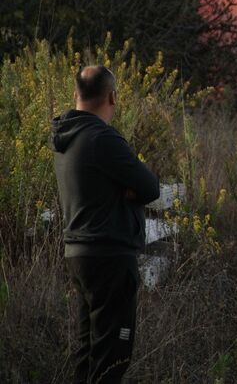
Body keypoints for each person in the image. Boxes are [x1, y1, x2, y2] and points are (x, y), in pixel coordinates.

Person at [52, 65, 161, 384]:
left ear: (76, 95)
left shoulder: (64, 138)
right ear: (112, 96)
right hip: (110, 258)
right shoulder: (102, 138)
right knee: (113, 358)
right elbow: (150, 188)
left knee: (87, 354)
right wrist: (128, 191)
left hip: (78, 255)